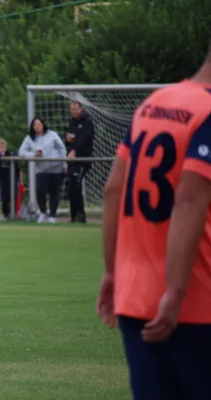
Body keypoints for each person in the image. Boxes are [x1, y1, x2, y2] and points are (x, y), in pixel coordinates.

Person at [96, 44, 211, 400]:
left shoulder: (154, 104)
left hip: (135, 298)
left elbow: (114, 188)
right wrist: (175, 291)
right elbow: (190, 198)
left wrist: (112, 271)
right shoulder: (207, 111)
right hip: (194, 300)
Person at [18, 118, 67, 223]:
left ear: (43, 124)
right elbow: (21, 152)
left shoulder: (52, 134)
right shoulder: (29, 138)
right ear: (32, 127)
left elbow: (61, 148)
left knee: (54, 192)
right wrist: (33, 155)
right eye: (35, 124)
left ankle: (53, 216)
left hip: (56, 168)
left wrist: (64, 163)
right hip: (41, 169)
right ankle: (43, 212)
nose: (37, 126)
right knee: (40, 191)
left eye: (39, 123)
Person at [65, 101, 95, 223]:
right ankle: (73, 217)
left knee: (76, 186)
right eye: (71, 109)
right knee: (72, 187)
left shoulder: (87, 123)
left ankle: (81, 217)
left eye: (75, 109)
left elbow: (82, 140)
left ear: (81, 109)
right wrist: (69, 148)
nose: (73, 111)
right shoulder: (72, 123)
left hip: (82, 160)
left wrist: (75, 151)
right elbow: (69, 140)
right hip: (72, 161)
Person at [0, 138, 21, 220]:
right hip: (3, 179)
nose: (2, 149)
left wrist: (19, 177)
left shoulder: (10, 153)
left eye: (4, 147)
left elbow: (16, 162)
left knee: (13, 196)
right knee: (4, 197)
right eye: (0, 148)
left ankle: (13, 214)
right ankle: (5, 214)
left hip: (12, 178)